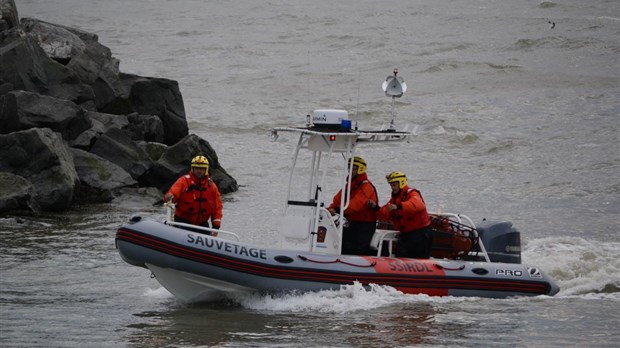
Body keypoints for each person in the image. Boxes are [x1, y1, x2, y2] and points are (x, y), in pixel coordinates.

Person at [369, 171, 433, 259]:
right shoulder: (394, 199)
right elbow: (385, 214)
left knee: (419, 258)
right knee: (401, 255)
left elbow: (418, 205)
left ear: (401, 183)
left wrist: (398, 206)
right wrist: (376, 208)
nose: (392, 188)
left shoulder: (412, 193)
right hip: (406, 235)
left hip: (420, 234)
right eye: (391, 185)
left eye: (394, 185)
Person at [327, 156, 378, 255]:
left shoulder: (366, 186)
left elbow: (356, 205)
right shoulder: (349, 186)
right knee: (342, 246)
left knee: (356, 250)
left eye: (354, 169)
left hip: (363, 225)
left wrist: (336, 210)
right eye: (349, 168)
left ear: (360, 169)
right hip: (350, 223)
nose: (351, 171)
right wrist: (330, 209)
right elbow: (337, 200)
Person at [163, 155, 223, 235]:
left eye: (201, 168)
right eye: (197, 168)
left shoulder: (212, 187)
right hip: (183, 223)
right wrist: (169, 196)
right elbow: (173, 193)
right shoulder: (184, 181)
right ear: (192, 168)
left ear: (206, 169)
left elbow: (217, 208)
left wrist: (216, 227)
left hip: (201, 225)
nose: (199, 171)